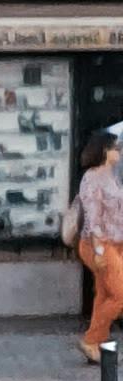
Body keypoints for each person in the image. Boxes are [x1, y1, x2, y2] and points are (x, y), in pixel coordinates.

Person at [67, 126, 123, 362]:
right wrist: (99, 250)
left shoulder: (112, 175)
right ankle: (91, 339)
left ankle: (95, 344)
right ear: (103, 150)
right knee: (120, 295)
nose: (118, 151)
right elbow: (92, 217)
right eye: (114, 148)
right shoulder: (92, 178)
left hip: (116, 242)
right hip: (99, 244)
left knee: (105, 294)